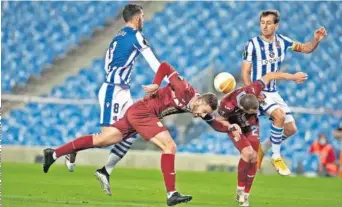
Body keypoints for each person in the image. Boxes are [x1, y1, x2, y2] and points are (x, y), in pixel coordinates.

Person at [43, 62, 239, 206]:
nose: (200, 116)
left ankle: (53, 154)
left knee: (102, 140)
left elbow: (214, 123)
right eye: (203, 111)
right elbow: (165, 66)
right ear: (201, 101)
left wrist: (229, 127)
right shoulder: (184, 88)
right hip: (143, 113)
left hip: (139, 113)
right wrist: (155, 83)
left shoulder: (196, 107)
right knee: (169, 146)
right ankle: (171, 193)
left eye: (204, 114)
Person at [65, 4, 167, 193]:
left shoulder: (118, 36)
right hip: (114, 90)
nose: (144, 19)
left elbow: (108, 62)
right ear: (137, 18)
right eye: (143, 16)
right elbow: (153, 61)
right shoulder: (136, 35)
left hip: (122, 90)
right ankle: (73, 148)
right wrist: (169, 80)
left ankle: (106, 170)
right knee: (106, 138)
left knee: (133, 130)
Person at [241, 9, 327, 175]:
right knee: (279, 116)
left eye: (268, 23)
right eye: (262, 23)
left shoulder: (282, 41)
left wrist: (316, 40)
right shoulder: (252, 44)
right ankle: (276, 156)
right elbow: (245, 72)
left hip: (273, 92)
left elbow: (305, 48)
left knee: (290, 129)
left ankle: (262, 149)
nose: (264, 26)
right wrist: (252, 91)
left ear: (276, 25)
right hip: (259, 91)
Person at [215, 71, 307, 206]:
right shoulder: (226, 105)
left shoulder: (253, 89)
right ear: (242, 108)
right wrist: (231, 126)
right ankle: (240, 189)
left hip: (251, 125)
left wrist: (293, 77)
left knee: (254, 158)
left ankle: (246, 195)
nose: (256, 113)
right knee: (247, 153)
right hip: (235, 126)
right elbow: (220, 120)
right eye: (252, 112)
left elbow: (270, 75)